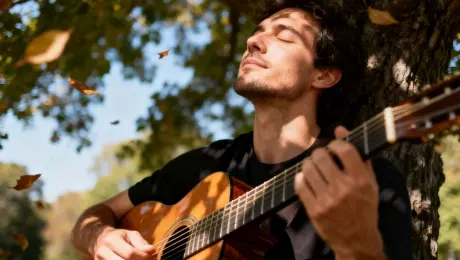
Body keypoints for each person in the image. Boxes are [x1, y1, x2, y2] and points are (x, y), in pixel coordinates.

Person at [71, 1, 412, 259]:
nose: (253, 41)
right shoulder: (209, 165)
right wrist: (98, 236)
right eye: (258, 32)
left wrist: (357, 245)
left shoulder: (365, 180)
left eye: (283, 36)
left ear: (322, 75)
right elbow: (97, 214)